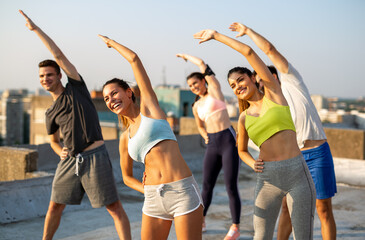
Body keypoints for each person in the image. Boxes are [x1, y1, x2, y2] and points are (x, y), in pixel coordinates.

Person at [193, 28, 316, 239]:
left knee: (303, 236)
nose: (237, 86)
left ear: (252, 77)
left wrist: (216, 36)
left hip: (296, 173)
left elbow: (249, 52)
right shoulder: (243, 117)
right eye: (232, 85)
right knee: (261, 236)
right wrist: (252, 163)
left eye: (240, 80)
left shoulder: (274, 94)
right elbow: (240, 150)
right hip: (267, 178)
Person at [19, 10, 131, 240]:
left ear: (60, 75)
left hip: (95, 156)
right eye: (41, 76)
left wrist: (36, 30)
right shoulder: (50, 112)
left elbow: (58, 55)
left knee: (114, 208)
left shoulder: (76, 88)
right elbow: (52, 140)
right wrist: (60, 151)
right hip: (70, 161)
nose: (45, 79)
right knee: (54, 208)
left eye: (49, 74)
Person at [229, 22, 337, 240]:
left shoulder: (290, 81)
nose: (262, 82)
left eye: (262, 77)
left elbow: (268, 50)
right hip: (283, 162)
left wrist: (248, 32)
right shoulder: (252, 111)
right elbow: (241, 148)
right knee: (285, 213)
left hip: (314, 153)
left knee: (322, 209)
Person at [99, 35, 203, 240]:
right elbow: (127, 177)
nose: (111, 100)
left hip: (182, 191)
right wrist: (145, 188)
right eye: (106, 99)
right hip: (153, 198)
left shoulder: (150, 109)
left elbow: (135, 59)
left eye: (114, 93)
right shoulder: (124, 138)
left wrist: (112, 43)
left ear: (129, 93)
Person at [176, 53, 241, 239]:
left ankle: (235, 227)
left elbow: (204, 65)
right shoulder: (196, 106)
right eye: (190, 86)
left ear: (203, 82)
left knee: (230, 186)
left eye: (195, 83)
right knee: (206, 185)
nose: (193, 87)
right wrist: (205, 136)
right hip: (212, 144)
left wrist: (187, 57)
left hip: (228, 140)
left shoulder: (215, 91)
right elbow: (199, 125)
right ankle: (201, 220)